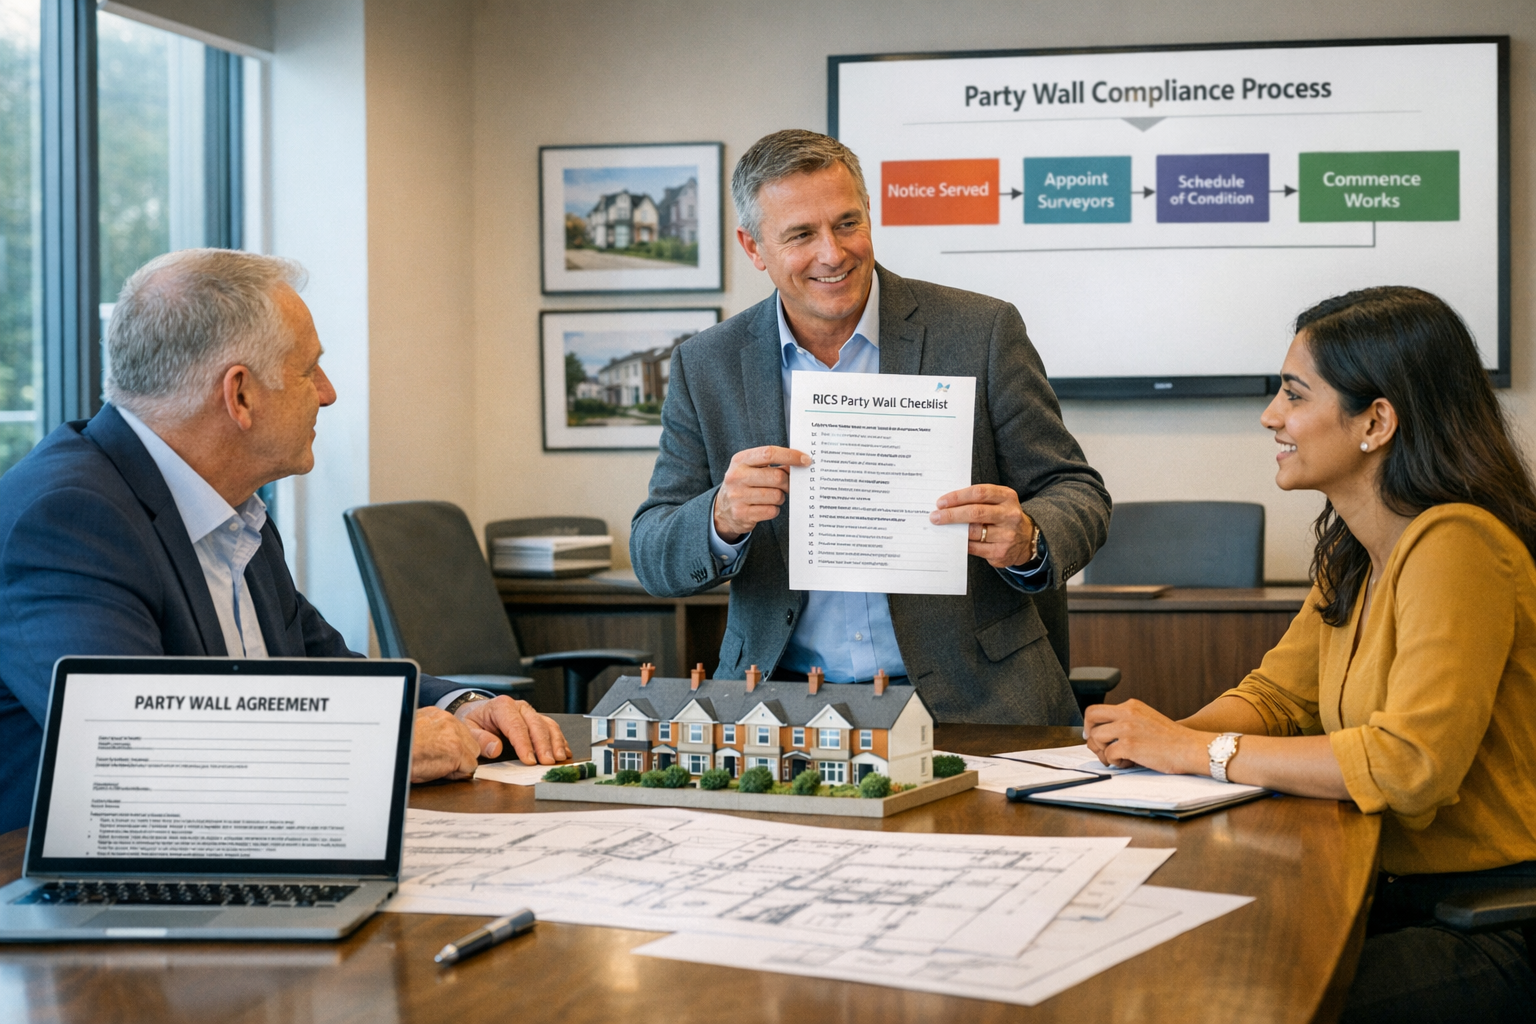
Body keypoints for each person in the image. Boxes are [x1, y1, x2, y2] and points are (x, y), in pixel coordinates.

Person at [1082, 287, 1536, 1021]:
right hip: (1381, 892)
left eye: (1294, 394)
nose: (1271, 416)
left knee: (1243, 1000)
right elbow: (1277, 698)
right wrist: (1154, 744)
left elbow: (1409, 763)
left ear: (1377, 421)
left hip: (1487, 920)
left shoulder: (1459, 545)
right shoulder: (1352, 553)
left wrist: (1195, 753)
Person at [0, 249, 568, 833]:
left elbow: (318, 666)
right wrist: (388, 748)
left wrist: (459, 707)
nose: (327, 393)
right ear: (239, 395)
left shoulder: (232, 504)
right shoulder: (66, 519)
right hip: (66, 892)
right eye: (308, 370)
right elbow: (142, 751)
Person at [631, 130, 1110, 724]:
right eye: (801, 234)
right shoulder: (708, 364)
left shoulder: (979, 330)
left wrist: (1030, 536)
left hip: (973, 700)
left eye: (847, 223)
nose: (832, 253)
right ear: (753, 247)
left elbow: (1078, 490)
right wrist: (720, 516)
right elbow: (652, 551)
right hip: (780, 706)